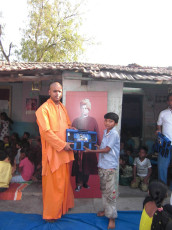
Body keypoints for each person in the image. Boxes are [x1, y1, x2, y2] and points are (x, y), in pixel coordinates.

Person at [35, 81, 74, 222]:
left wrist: (73, 132)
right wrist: (63, 145)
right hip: (53, 153)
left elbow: (67, 125)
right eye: (55, 91)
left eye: (60, 91)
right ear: (49, 92)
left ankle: (63, 207)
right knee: (53, 186)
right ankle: (51, 214)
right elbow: (46, 133)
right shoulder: (43, 109)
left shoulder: (63, 108)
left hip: (64, 152)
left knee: (63, 182)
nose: (58, 94)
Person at [84, 112, 120, 229]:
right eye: (106, 120)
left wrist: (91, 151)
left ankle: (112, 218)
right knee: (104, 191)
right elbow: (103, 148)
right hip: (102, 166)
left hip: (109, 167)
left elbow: (107, 150)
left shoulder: (114, 134)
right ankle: (106, 211)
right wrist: (97, 147)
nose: (107, 123)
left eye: (110, 121)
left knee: (110, 194)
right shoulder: (105, 132)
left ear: (115, 123)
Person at [72, 98, 100, 192]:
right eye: (82, 108)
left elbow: (97, 133)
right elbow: (72, 134)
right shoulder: (75, 121)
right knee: (79, 167)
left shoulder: (93, 120)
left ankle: (85, 183)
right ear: (80, 109)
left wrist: (99, 145)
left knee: (87, 167)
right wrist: (72, 146)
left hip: (89, 148)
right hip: (78, 148)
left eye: (86, 108)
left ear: (89, 109)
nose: (84, 110)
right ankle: (78, 184)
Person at [156, 93, 172, 202]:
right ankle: (163, 190)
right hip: (166, 145)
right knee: (162, 167)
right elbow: (158, 127)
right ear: (168, 102)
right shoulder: (163, 113)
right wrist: (158, 135)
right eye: (170, 100)